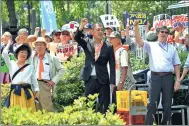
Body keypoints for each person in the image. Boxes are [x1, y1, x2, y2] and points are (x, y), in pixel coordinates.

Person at [134, 21, 181, 125]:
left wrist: (178, 80)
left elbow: (177, 65)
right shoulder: (151, 45)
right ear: (157, 33)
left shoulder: (172, 48)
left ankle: (165, 124)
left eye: (165, 32)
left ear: (168, 35)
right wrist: (136, 28)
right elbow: (139, 41)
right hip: (155, 77)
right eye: (161, 32)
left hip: (168, 77)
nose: (163, 33)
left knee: (167, 104)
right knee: (152, 104)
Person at [74, 18, 115, 113]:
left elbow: (112, 66)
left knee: (104, 107)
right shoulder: (87, 42)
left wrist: (112, 83)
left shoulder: (108, 46)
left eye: (102, 30)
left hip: (103, 80)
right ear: (92, 32)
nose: (100, 32)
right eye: (98, 30)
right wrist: (82, 26)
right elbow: (76, 37)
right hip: (89, 79)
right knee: (89, 106)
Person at [2, 41, 39, 112]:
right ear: (17, 53)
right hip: (16, 92)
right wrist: (9, 43)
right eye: (22, 52)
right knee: (16, 113)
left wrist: (37, 92)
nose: (24, 54)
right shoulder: (11, 64)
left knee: (29, 113)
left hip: (27, 93)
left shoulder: (30, 67)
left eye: (26, 53)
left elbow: (34, 80)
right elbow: (4, 53)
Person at [31, 37, 64, 112]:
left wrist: (53, 81)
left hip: (45, 85)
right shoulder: (33, 57)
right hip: (34, 85)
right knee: (36, 108)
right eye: (37, 45)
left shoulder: (52, 58)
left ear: (45, 46)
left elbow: (62, 70)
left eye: (41, 45)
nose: (39, 47)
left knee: (47, 109)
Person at [108, 31, 136, 105]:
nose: (110, 40)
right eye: (109, 38)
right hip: (114, 83)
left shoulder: (122, 51)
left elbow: (124, 67)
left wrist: (121, 82)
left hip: (123, 84)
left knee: (124, 106)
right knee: (115, 106)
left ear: (118, 40)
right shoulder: (111, 51)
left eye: (112, 38)